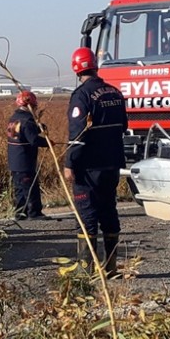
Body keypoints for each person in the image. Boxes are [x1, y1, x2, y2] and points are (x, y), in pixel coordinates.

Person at [63, 47, 128, 277]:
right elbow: (124, 126)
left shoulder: (81, 96)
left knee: (87, 216)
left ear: (75, 68)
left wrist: (69, 163)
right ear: (95, 65)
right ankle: (110, 267)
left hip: (88, 168)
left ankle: (85, 270)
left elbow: (78, 136)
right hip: (112, 164)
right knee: (109, 212)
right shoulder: (115, 93)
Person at [6, 89, 50, 219]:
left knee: (20, 188)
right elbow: (33, 140)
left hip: (14, 160)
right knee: (30, 187)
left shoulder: (15, 118)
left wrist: (39, 127)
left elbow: (23, 133)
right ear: (31, 105)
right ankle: (34, 213)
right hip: (25, 160)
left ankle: (20, 213)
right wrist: (48, 142)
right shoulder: (27, 121)